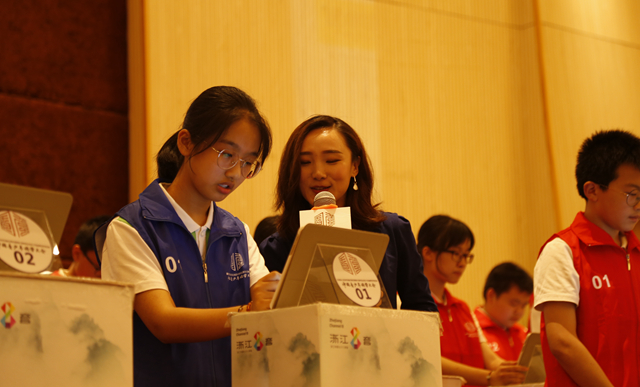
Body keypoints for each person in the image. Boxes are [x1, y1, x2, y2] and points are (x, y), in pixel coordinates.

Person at [95, 86, 281, 387]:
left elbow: (268, 301)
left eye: (248, 163)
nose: (236, 173)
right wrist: (246, 311)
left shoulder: (237, 233)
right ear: (186, 142)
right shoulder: (132, 227)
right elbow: (163, 322)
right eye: (227, 155)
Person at [259, 115, 437, 312]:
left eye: (332, 160)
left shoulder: (392, 230)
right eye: (305, 162)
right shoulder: (275, 247)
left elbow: (423, 309)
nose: (318, 173)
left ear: (355, 166)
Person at [533, 129, 640, 387]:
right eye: (633, 195)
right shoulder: (563, 251)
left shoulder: (636, 252)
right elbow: (563, 342)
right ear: (592, 190)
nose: (639, 205)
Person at [418, 215, 527, 386]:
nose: (462, 263)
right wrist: (489, 377)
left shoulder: (462, 308)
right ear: (428, 253)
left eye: (466, 255)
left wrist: (520, 372)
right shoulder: (407, 303)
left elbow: (491, 360)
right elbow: (424, 358)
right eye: (456, 253)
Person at [474, 262, 532, 361]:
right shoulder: (473, 331)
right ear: (491, 295)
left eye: (524, 306)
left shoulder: (523, 333)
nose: (519, 311)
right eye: (514, 304)